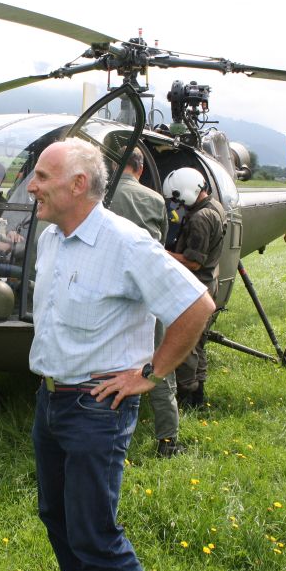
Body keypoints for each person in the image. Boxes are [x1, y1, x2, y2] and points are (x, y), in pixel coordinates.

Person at [27, 138, 215, 571]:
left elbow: (197, 306)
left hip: (97, 406)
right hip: (49, 400)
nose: (31, 187)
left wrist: (150, 372)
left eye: (41, 177)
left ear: (77, 184)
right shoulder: (51, 238)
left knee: (95, 536)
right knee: (57, 517)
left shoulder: (125, 243)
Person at [109, 149, 183, 458]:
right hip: (149, 293)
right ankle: (168, 439)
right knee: (159, 364)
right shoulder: (154, 200)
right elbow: (162, 245)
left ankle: (107, 427)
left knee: (108, 361)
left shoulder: (103, 197)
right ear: (140, 169)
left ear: (115, 167)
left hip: (112, 292)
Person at [163, 167, 227, 409]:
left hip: (195, 285)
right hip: (209, 283)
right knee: (199, 341)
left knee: (186, 343)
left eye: (177, 198)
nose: (177, 204)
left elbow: (193, 261)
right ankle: (199, 391)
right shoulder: (215, 207)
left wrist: (164, 253)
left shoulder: (200, 218)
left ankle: (188, 395)